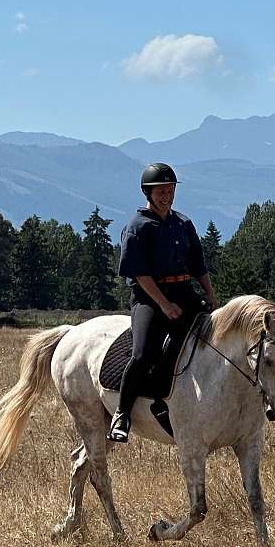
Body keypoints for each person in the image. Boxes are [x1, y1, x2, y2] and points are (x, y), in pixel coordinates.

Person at [106, 162, 217, 442]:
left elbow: (198, 266)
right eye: (161, 191)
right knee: (143, 354)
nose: (166, 195)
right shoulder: (137, 226)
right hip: (149, 299)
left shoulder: (183, 223)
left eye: (170, 190)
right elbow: (140, 274)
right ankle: (123, 413)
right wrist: (164, 305)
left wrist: (212, 298)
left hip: (184, 293)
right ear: (148, 192)